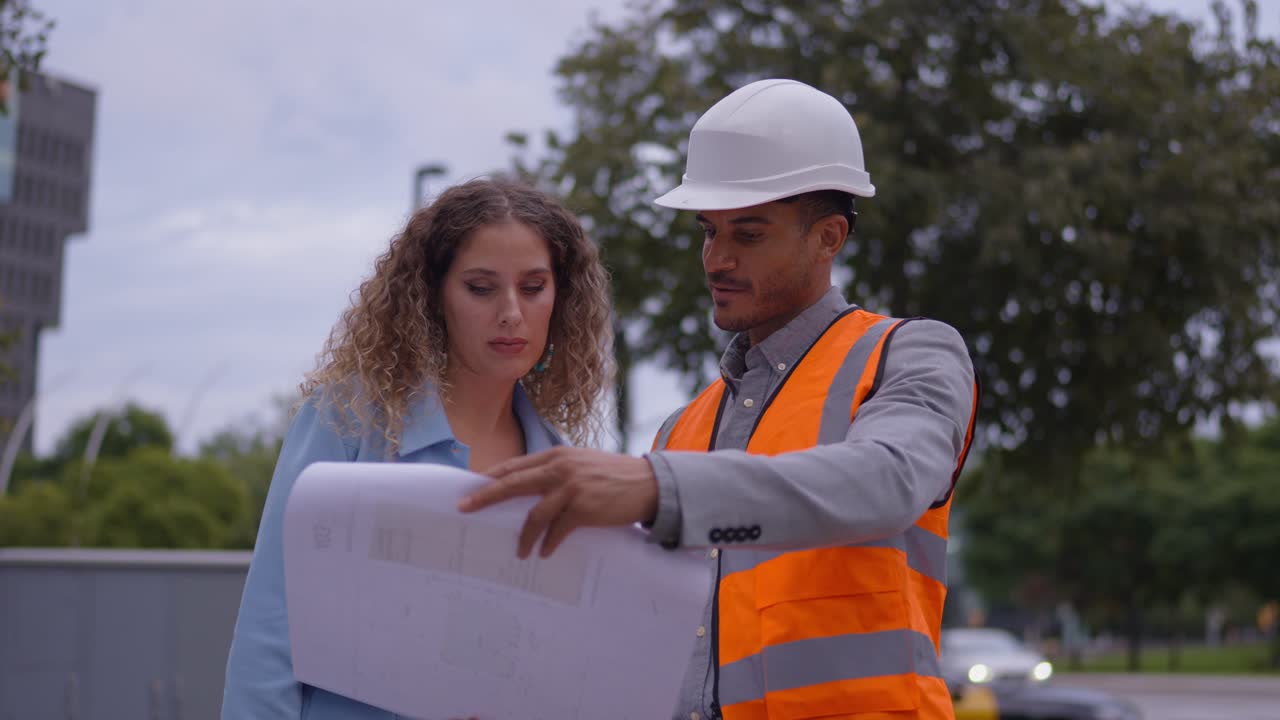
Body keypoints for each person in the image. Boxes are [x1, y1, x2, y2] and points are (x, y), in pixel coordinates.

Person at [460, 79, 979, 720]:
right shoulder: (683, 430)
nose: (717, 258)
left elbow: (889, 481)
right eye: (709, 231)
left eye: (749, 234)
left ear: (829, 237)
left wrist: (658, 489)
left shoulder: (910, 354)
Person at [221, 177, 614, 719]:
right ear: (434, 296)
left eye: (533, 287)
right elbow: (272, 626)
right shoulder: (351, 419)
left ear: (560, 297)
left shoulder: (559, 464)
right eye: (481, 287)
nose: (510, 313)